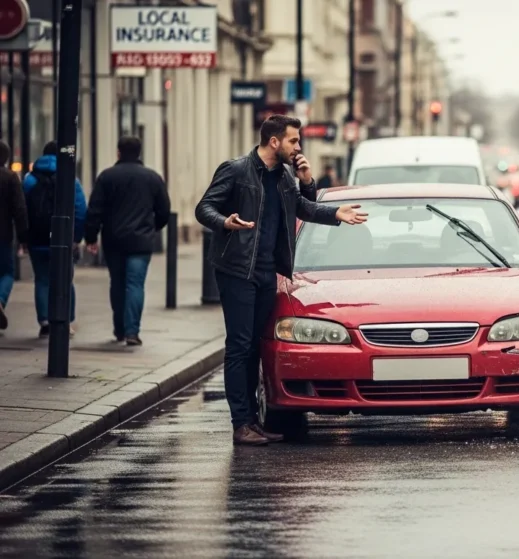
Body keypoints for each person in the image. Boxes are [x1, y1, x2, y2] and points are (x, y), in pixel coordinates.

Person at [195, 115, 367, 446]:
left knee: (255, 347)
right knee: (239, 346)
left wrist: (326, 203)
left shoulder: (285, 176)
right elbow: (204, 208)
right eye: (293, 140)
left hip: (266, 272)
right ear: (274, 141)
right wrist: (225, 222)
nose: (298, 146)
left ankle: (252, 422)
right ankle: (241, 423)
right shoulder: (235, 170)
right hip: (237, 270)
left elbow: (303, 207)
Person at [84, 136, 171, 346]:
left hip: (114, 240)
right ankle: (132, 331)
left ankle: (120, 329)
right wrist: (152, 228)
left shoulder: (107, 177)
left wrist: (91, 236)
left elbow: (95, 209)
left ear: (118, 152)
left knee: (117, 283)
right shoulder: (152, 178)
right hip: (141, 242)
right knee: (135, 284)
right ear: (139, 152)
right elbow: (164, 211)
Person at [23, 141, 87, 338]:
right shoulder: (70, 179)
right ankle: (65, 320)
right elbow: (80, 209)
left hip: (37, 239)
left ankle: (44, 321)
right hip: (63, 238)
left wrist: (24, 237)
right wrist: (76, 237)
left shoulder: (29, 179)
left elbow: (22, 209)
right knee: (65, 280)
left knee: (42, 279)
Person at [0, 140, 28, 330]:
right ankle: (0, 299)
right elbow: (19, 209)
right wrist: (24, 236)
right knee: (7, 272)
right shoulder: (10, 178)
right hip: (3, 234)